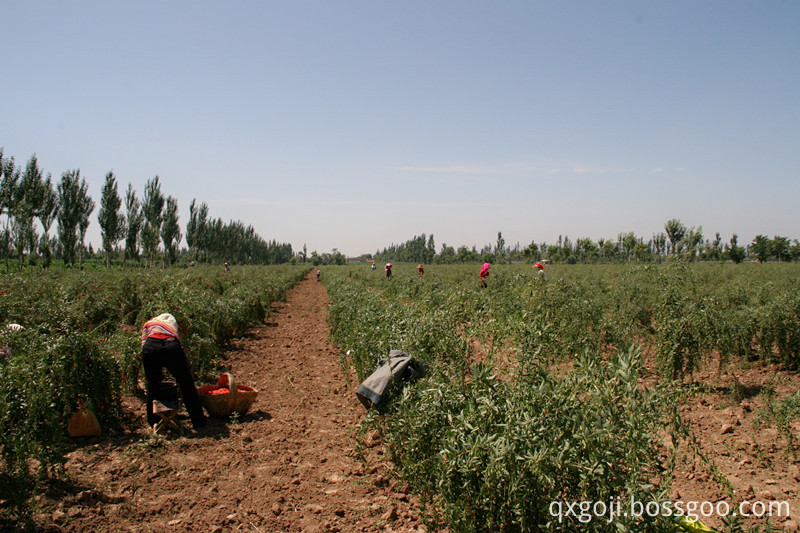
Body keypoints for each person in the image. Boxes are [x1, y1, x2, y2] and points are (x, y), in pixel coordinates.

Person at [141, 313, 207, 431]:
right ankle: (198, 421)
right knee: (186, 384)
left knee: (152, 385)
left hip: (150, 347)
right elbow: (178, 343)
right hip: (171, 346)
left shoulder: (149, 324)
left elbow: (143, 343)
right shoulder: (172, 325)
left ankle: (154, 421)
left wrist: (151, 368)